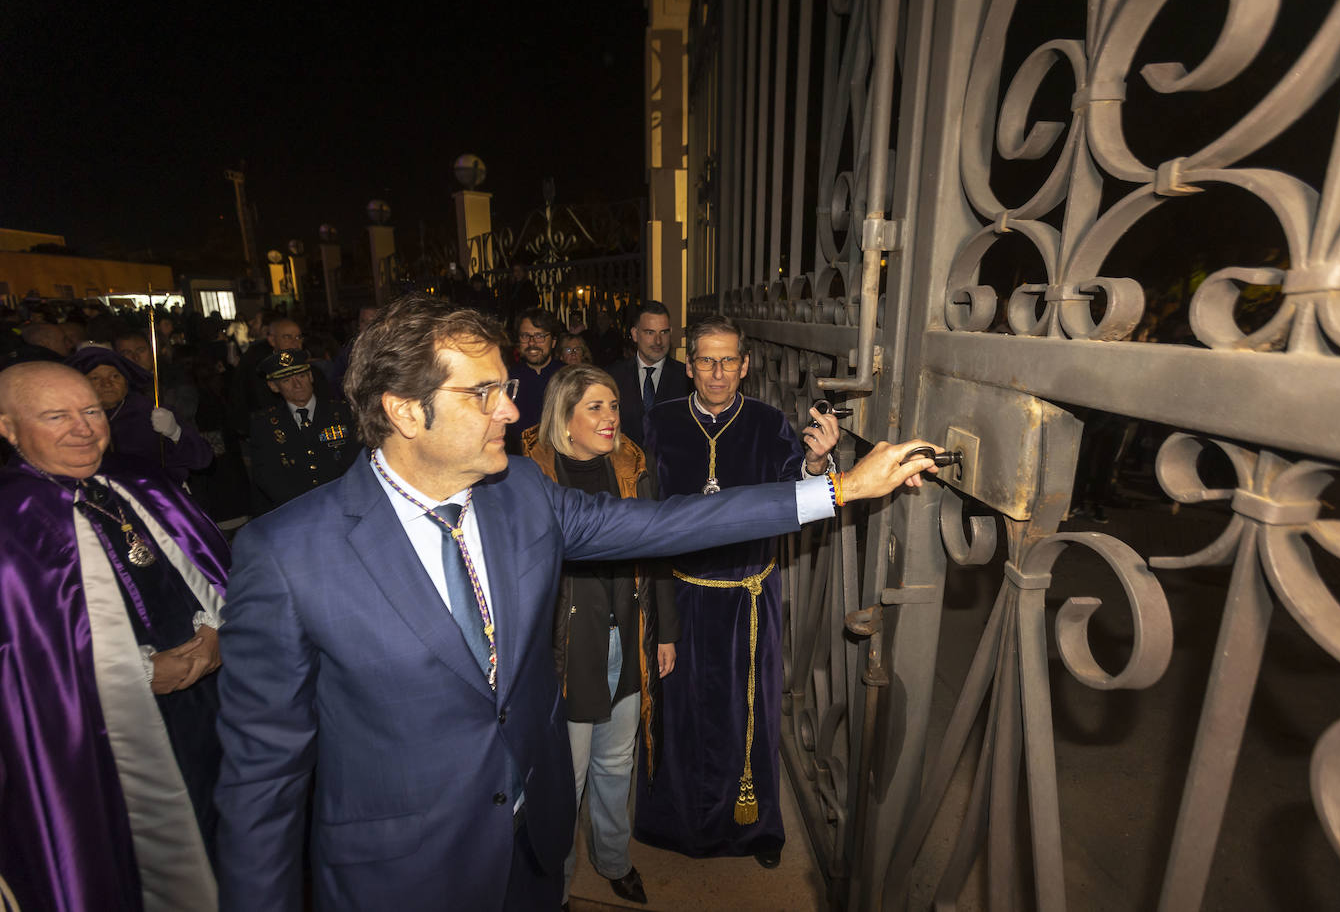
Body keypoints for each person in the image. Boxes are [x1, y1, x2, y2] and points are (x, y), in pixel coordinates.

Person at [214, 295, 941, 912]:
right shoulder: (286, 556)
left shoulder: (521, 495)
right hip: (406, 875)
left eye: (506, 386)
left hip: (533, 849)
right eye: (483, 394)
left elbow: (669, 523)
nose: (511, 407)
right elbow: (260, 791)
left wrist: (841, 488)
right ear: (405, 411)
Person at [0, 362, 229, 911]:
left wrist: (218, 626)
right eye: (56, 416)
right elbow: (23, 661)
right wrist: (139, 674)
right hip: (104, 737)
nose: (83, 429)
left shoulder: (139, 480)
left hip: (211, 709)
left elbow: (209, 566)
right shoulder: (10, 521)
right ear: (7, 428)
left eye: (92, 411)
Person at [633, 315, 841, 867]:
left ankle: (753, 831)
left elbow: (800, 495)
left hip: (749, 598)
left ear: (745, 365)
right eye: (706, 360)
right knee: (678, 713)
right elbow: (642, 506)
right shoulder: (661, 421)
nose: (718, 372)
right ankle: (677, 825)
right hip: (679, 594)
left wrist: (816, 461)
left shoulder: (769, 423)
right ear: (690, 365)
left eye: (729, 360)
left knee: (747, 714)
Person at [521, 366, 676, 908]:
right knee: (567, 775)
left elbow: (659, 546)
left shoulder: (632, 466)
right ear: (564, 417)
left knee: (617, 763)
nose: (611, 417)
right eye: (595, 407)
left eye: (613, 405)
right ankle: (555, 883)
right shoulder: (529, 475)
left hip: (628, 636)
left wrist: (665, 631)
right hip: (565, 648)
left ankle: (613, 860)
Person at [68, 345, 214, 484]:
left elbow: (202, 459)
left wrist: (175, 433)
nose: (107, 384)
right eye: (95, 378)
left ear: (126, 382)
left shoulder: (149, 412)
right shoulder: (71, 420)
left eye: (115, 376)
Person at [248, 348, 359, 513]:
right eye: (286, 380)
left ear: (310, 376)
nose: (297, 385)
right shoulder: (265, 425)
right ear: (273, 386)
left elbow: (356, 461)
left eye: (301, 376)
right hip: (296, 510)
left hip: (345, 504)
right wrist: (304, 508)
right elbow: (268, 476)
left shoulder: (343, 414)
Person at [606, 301, 689, 450]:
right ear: (635, 334)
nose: (658, 341)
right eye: (650, 333)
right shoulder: (612, 377)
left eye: (664, 332)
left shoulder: (687, 378)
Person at [506, 306, 564, 452]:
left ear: (553, 342)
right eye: (525, 336)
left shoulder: (569, 377)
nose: (532, 343)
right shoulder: (507, 380)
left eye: (539, 336)